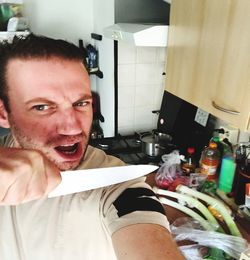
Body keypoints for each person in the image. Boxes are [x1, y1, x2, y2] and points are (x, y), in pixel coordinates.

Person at [0, 34, 184, 260]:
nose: (72, 127)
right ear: (3, 114)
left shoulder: (114, 184)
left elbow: (141, 221)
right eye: (42, 107)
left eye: (81, 103)